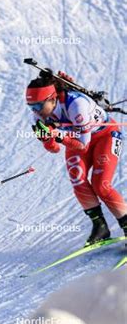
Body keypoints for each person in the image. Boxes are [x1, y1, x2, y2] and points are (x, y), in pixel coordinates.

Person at [25, 71, 127, 245]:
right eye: (31, 107)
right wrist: (46, 139)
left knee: (101, 185)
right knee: (77, 180)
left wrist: (58, 135)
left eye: (38, 106)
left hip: (105, 136)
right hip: (75, 139)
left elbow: (83, 145)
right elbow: (54, 149)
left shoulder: (76, 105)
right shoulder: (39, 116)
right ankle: (100, 227)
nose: (36, 112)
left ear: (52, 99)